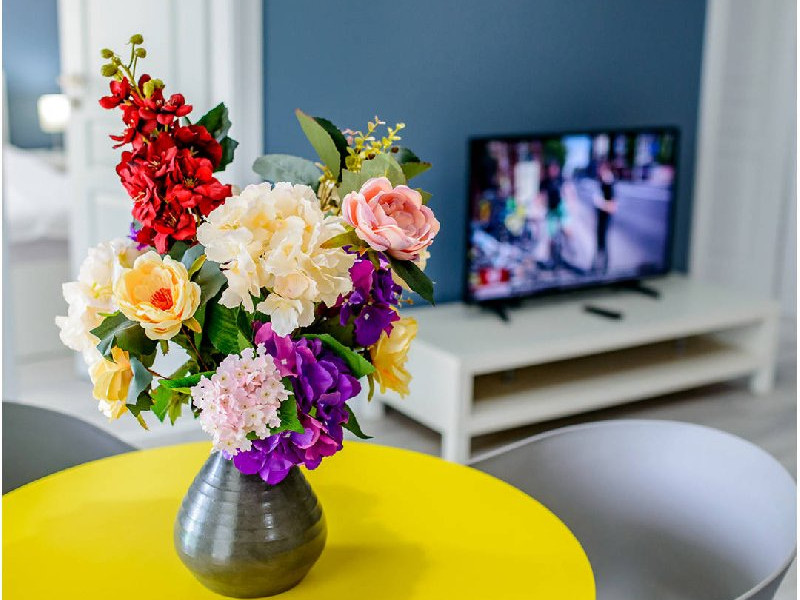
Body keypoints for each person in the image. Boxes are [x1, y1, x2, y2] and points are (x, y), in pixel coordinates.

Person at [593, 160, 618, 274]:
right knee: (600, 242)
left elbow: (613, 207)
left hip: (605, 219)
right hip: (601, 218)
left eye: (600, 169)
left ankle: (604, 269)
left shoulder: (608, 184)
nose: (598, 171)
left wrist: (600, 203)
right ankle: (600, 267)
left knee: (603, 243)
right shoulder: (603, 182)